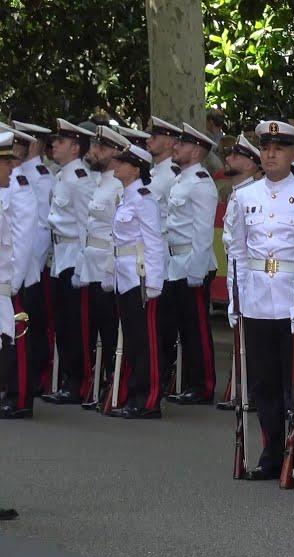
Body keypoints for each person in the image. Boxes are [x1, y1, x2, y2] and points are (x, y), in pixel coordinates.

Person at [225, 120, 294, 478]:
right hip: (256, 297)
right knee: (263, 382)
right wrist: (235, 296)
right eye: (266, 148)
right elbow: (237, 252)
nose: (271, 154)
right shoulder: (245, 196)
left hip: (291, 297)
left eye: (279, 148)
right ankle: (271, 451)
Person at [161, 123, 219, 405]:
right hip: (176, 262)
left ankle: (203, 385)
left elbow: (203, 231)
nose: (175, 147)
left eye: (182, 144)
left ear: (196, 151)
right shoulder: (181, 179)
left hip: (193, 263)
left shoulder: (201, 183)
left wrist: (196, 270)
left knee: (196, 330)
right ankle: (185, 381)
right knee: (182, 327)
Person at [107, 142, 166, 419]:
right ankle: (133, 394)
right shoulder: (126, 198)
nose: (116, 165)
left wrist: (154, 282)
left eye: (122, 162)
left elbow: (154, 242)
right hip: (125, 275)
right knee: (132, 339)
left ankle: (148, 399)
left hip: (140, 277)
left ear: (135, 169)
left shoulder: (144, 200)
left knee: (145, 342)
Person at [42, 119, 95, 405]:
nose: (54, 145)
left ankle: (78, 382)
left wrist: (84, 266)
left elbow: (88, 225)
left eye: (60, 141)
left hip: (75, 256)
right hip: (60, 256)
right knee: (62, 324)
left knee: (76, 326)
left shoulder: (79, 179)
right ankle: (67, 379)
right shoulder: (62, 175)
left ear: (75, 148)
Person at [76, 126, 127, 410]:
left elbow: (116, 234)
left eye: (101, 148)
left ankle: (113, 385)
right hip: (93, 264)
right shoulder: (100, 182)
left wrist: (110, 269)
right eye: (94, 146)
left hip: (107, 266)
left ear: (116, 153)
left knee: (109, 331)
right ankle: (103, 385)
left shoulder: (117, 186)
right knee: (98, 329)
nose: (93, 152)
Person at [215, 134, 262, 413]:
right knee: (241, 335)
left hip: (249, 274)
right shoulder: (237, 194)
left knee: (251, 339)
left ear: (250, 164)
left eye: (236, 155)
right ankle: (242, 390)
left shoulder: (250, 195)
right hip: (236, 269)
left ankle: (251, 392)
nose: (228, 158)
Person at [8, 122, 54, 398]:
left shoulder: (24, 182)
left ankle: (25, 391)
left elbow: (33, 232)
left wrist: (22, 274)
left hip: (21, 270)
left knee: (23, 332)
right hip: (11, 270)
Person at [0, 131, 33, 419]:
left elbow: (23, 236)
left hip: (11, 277)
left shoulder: (19, 185)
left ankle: (19, 397)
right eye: (6, 162)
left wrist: (15, 281)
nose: (12, 167)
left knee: (16, 339)